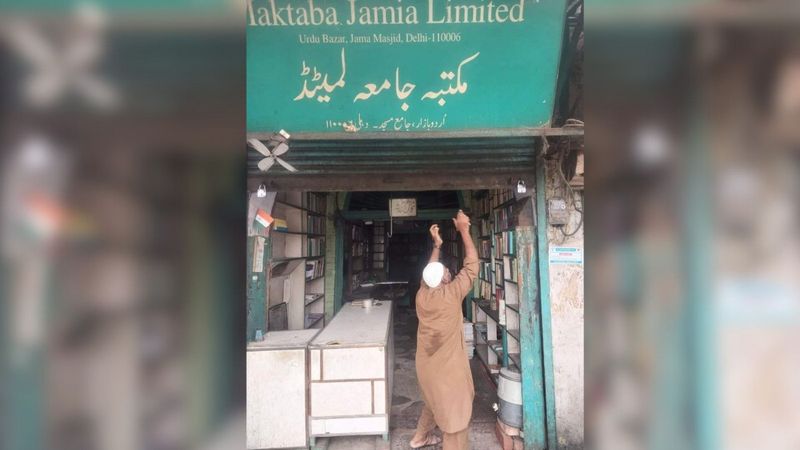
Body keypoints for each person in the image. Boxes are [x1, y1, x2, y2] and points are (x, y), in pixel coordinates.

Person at [410, 210, 478, 450]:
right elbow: (472, 265)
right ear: (445, 280)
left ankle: (420, 437)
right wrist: (464, 231)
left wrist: (437, 245)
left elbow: (429, 273)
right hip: (448, 370)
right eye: (447, 271)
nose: (450, 271)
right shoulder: (451, 295)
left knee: (433, 400)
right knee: (455, 415)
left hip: (426, 366)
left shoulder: (422, 295)